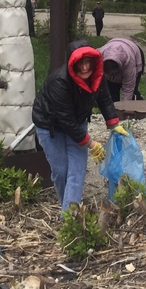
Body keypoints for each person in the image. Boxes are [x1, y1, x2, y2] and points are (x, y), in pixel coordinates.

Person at [32, 40, 128, 211]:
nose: (84, 68)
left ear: (94, 62)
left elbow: (104, 99)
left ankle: (70, 217)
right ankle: (68, 208)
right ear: (72, 63)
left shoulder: (97, 76)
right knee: (61, 170)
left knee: (77, 170)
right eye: (80, 63)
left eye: (88, 62)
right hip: (50, 125)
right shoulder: (59, 82)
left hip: (77, 122)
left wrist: (113, 123)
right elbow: (65, 119)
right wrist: (91, 144)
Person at [100, 37, 146, 102]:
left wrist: (125, 107)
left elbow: (128, 89)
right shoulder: (99, 56)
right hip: (113, 45)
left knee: (133, 92)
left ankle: (140, 106)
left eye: (114, 73)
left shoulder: (130, 62)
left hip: (134, 50)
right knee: (112, 91)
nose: (112, 75)